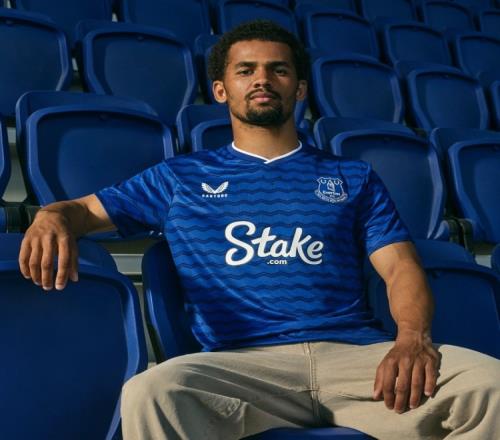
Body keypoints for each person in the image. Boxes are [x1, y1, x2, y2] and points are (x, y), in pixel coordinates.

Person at [19, 20, 499, 440]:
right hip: (244, 367)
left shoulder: (353, 177)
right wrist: (52, 216)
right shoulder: (180, 177)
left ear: (301, 88)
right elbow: (83, 212)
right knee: (152, 390)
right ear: (221, 89)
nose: (262, 80)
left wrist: (412, 338)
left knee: (489, 385)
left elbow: (399, 267)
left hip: (357, 358)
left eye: (278, 70)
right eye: (245, 70)